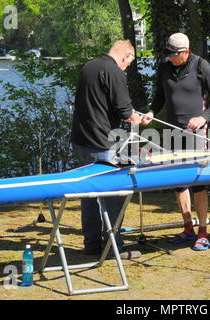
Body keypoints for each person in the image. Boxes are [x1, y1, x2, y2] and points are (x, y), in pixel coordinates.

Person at [141, 33, 210, 251]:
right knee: (180, 183)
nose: (169, 58)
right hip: (171, 132)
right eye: (167, 54)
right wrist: (152, 111)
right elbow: (160, 96)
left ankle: (203, 232)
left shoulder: (201, 66)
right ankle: (188, 228)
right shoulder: (165, 67)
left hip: (197, 134)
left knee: (199, 184)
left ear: (185, 52)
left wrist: (203, 118)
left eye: (173, 55)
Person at [71, 40, 143, 260]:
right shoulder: (114, 71)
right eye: (129, 62)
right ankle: (114, 247)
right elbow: (125, 112)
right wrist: (139, 118)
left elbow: (103, 103)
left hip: (81, 140)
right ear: (125, 56)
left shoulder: (89, 66)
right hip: (103, 143)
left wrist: (130, 111)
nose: (127, 67)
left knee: (89, 193)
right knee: (113, 194)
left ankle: (92, 244)